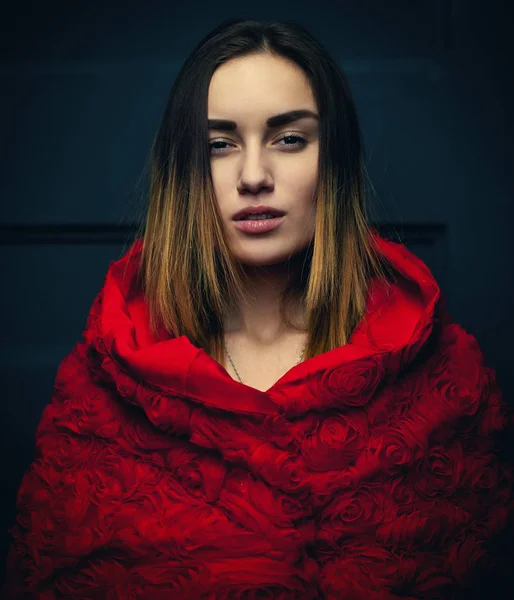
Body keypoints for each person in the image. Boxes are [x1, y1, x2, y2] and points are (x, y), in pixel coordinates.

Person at [5, 18, 514, 600]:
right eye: (218, 145)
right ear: (184, 172)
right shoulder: (107, 376)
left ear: (335, 161)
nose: (253, 177)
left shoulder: (442, 372)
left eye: (289, 139)